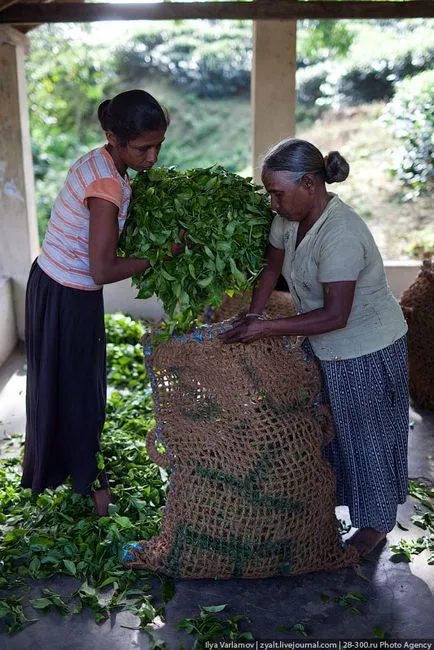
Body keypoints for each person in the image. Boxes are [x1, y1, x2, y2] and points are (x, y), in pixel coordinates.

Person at [222, 138, 409, 557]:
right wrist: (254, 314)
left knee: (368, 436)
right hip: (327, 345)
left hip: (366, 346)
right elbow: (272, 268)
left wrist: (269, 329)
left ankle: (374, 525)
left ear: (309, 183)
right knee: (335, 431)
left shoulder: (341, 233)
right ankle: (349, 506)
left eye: (277, 193)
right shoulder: (290, 219)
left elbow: (334, 316)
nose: (272, 203)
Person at [22, 89, 184, 516]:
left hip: (51, 284)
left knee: (64, 385)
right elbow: (102, 269)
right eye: (143, 147)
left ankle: (67, 476)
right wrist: (163, 252)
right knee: (81, 395)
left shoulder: (104, 161)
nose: (152, 157)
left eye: (158, 146)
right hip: (68, 296)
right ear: (113, 137)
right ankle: (94, 493)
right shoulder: (107, 183)